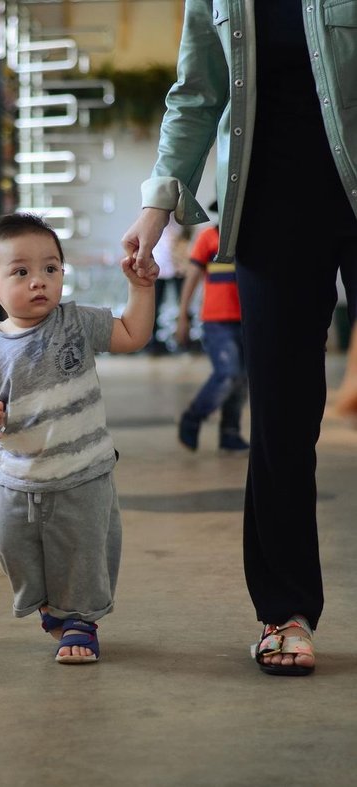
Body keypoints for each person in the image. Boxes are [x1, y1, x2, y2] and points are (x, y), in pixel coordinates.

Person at [121, 1, 357, 676]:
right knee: (282, 417)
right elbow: (198, 92)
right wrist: (157, 203)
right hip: (271, 211)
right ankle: (284, 612)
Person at [0, 212, 158, 664]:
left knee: (83, 551)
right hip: (18, 478)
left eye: (51, 269)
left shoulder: (75, 323)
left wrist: (141, 289)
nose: (40, 281)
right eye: (22, 272)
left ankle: (81, 622)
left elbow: (132, 333)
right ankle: (54, 605)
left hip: (83, 472)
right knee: (11, 543)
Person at [175, 203, 249, 454]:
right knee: (228, 374)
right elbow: (192, 277)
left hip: (250, 321)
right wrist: (182, 315)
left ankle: (230, 433)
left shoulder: (252, 238)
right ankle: (193, 416)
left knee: (242, 380)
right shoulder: (208, 237)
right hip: (217, 321)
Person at [145, 215, 189, 355]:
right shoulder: (151, 218)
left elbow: (188, 235)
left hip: (178, 267)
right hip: (159, 267)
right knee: (154, 306)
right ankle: (153, 341)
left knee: (183, 305)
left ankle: (183, 339)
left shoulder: (182, 217)